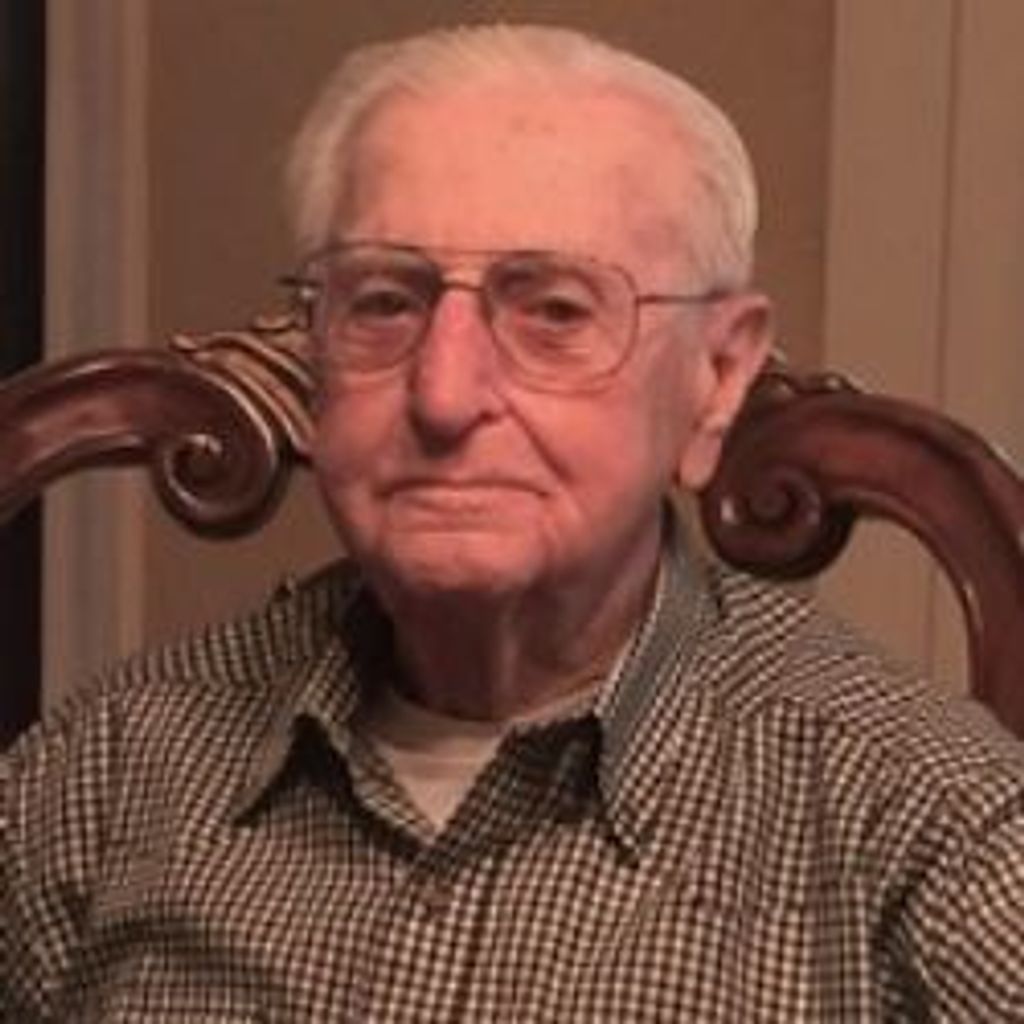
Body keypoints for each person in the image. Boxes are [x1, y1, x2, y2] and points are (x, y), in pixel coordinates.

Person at [3, 23, 1023, 1022]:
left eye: (555, 312)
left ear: (716, 378)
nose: (445, 394)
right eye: (385, 302)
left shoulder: (933, 828)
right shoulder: (104, 770)